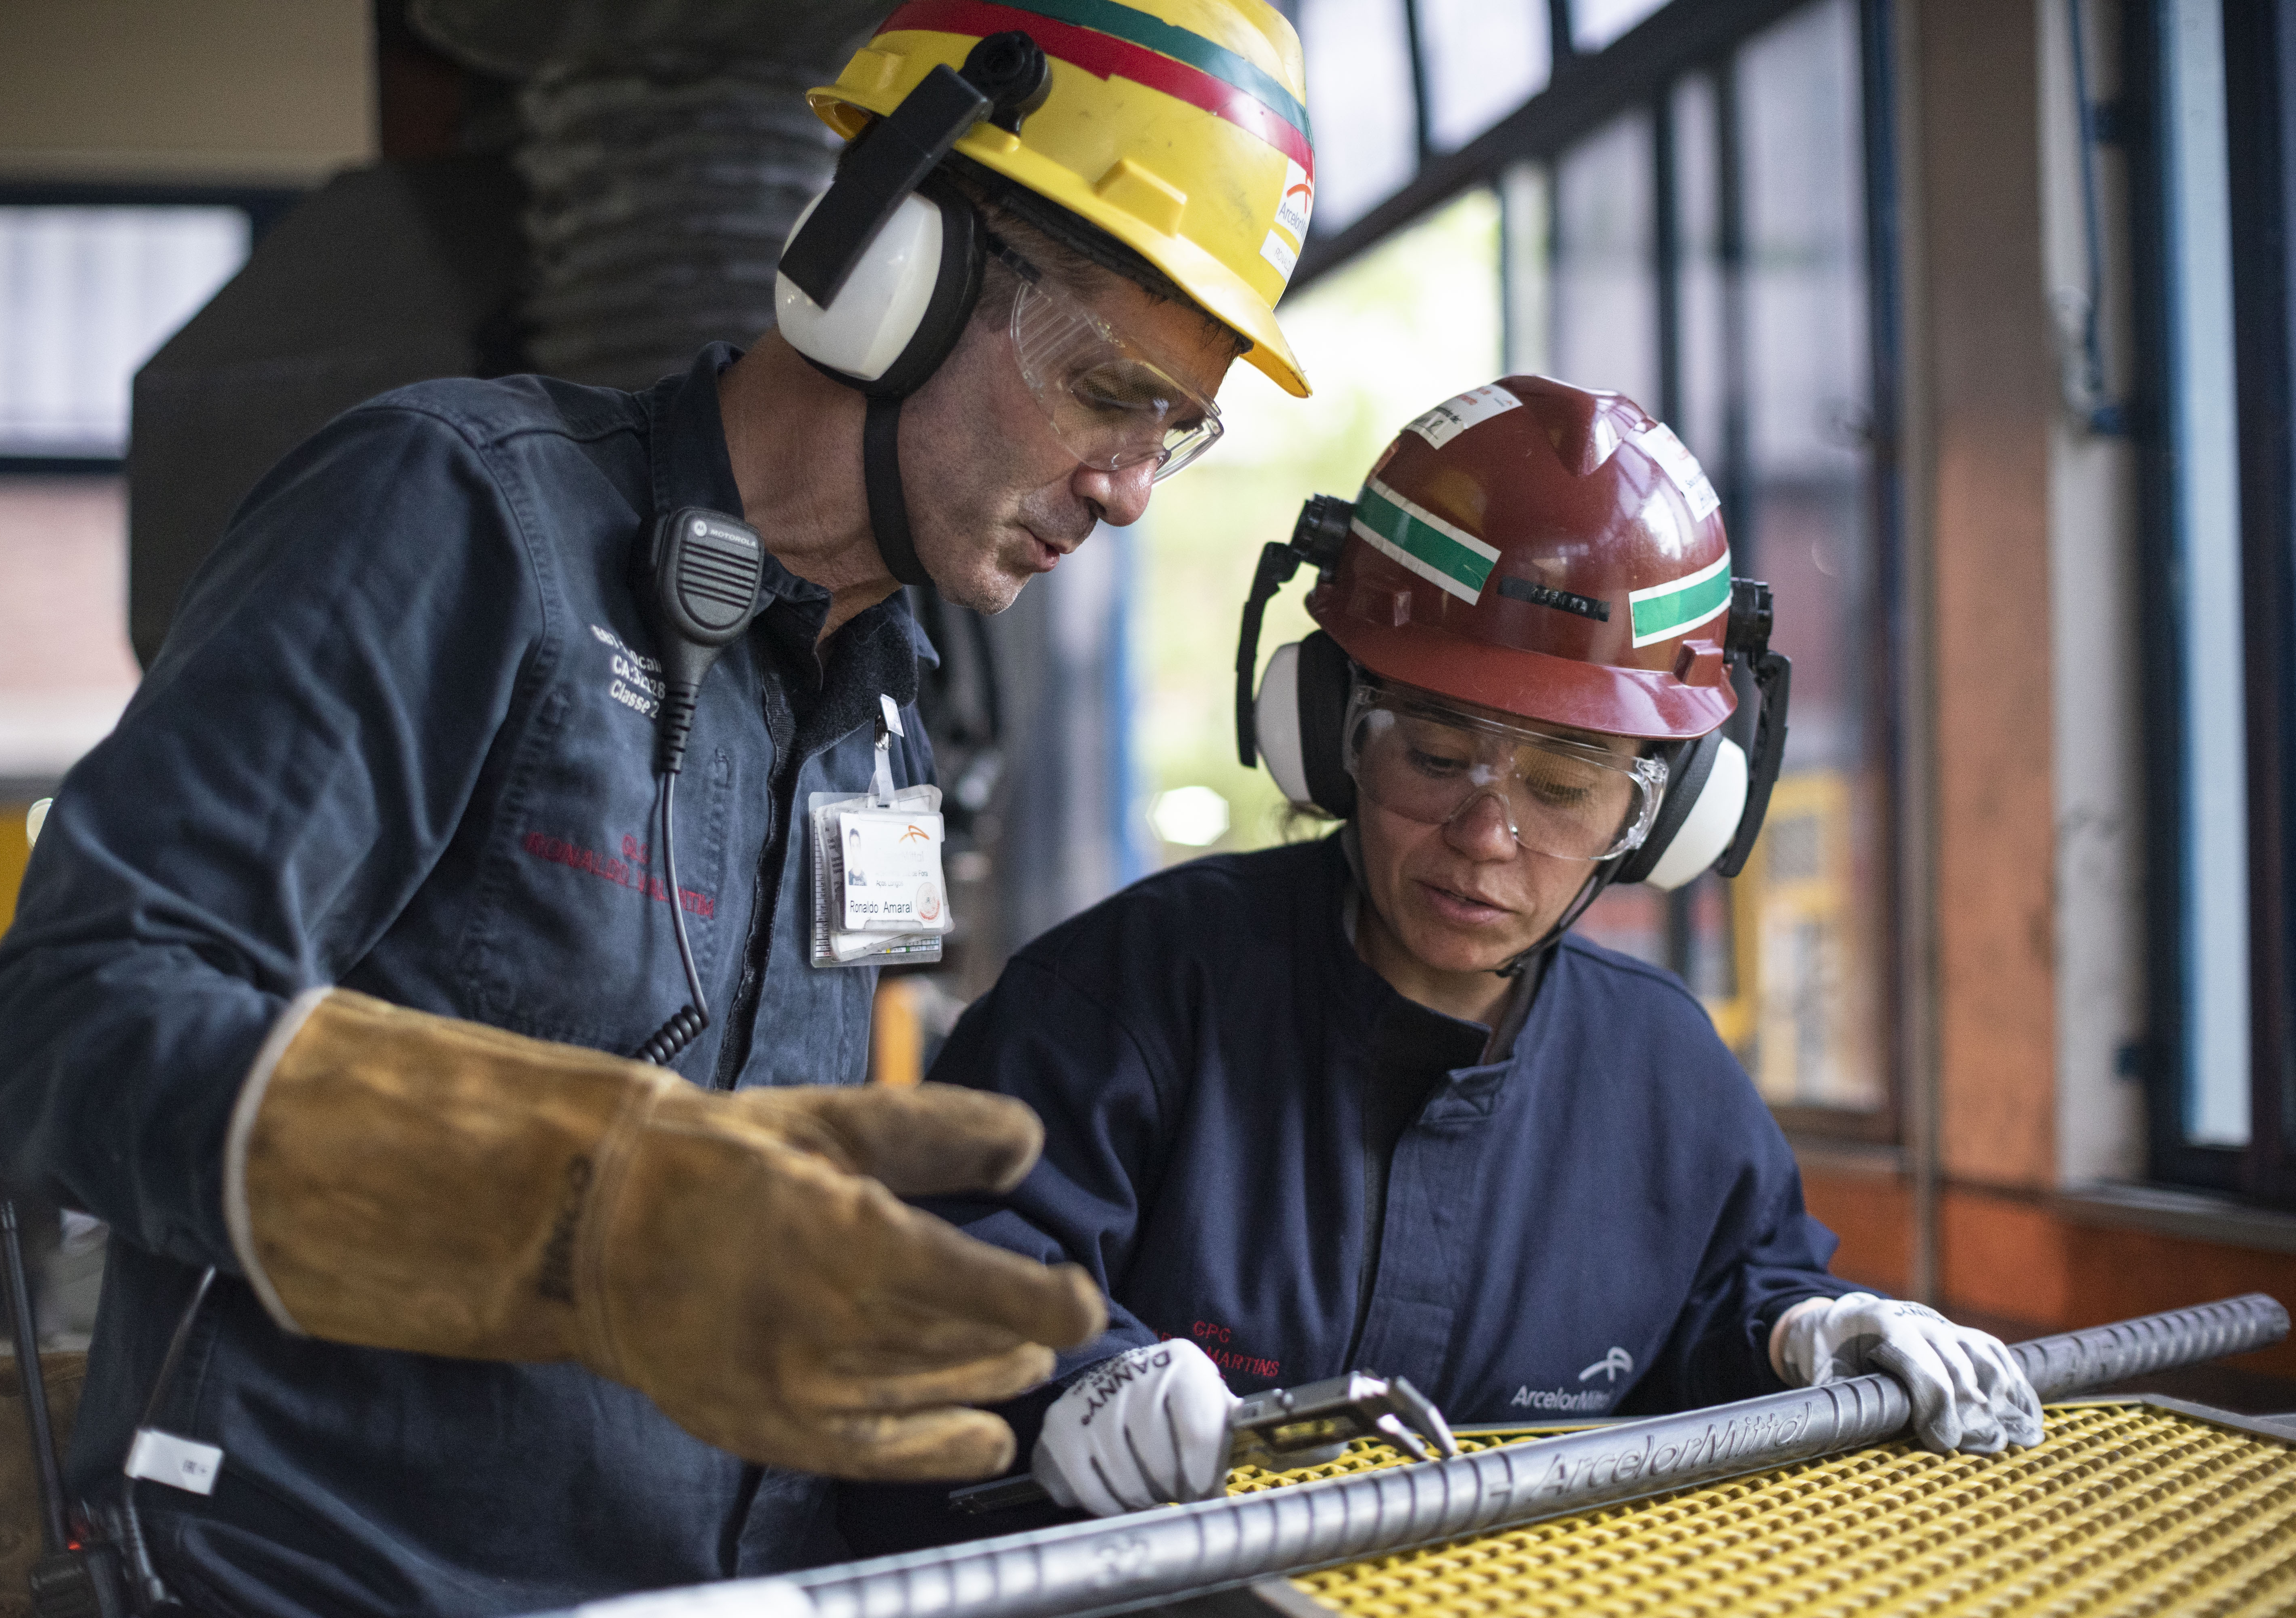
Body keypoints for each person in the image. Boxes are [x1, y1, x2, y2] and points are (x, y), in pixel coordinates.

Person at [0, 5, 1319, 1616]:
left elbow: (793, 1192)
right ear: (897, 267)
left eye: (1174, 425)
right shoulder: (454, 516)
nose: (1129, 485)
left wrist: (1058, 1364)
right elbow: (70, 1018)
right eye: (1104, 388)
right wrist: (581, 1203)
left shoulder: (883, 707)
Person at [839, 377, 2043, 1547]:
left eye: (1566, 788)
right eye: (1433, 754)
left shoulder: (1667, 1078)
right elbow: (947, 1262)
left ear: (1661, 822)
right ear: (1327, 733)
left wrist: (1811, 1333)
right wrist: (1079, 1377)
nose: (1485, 839)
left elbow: (1731, 1296)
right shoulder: (1129, 998)